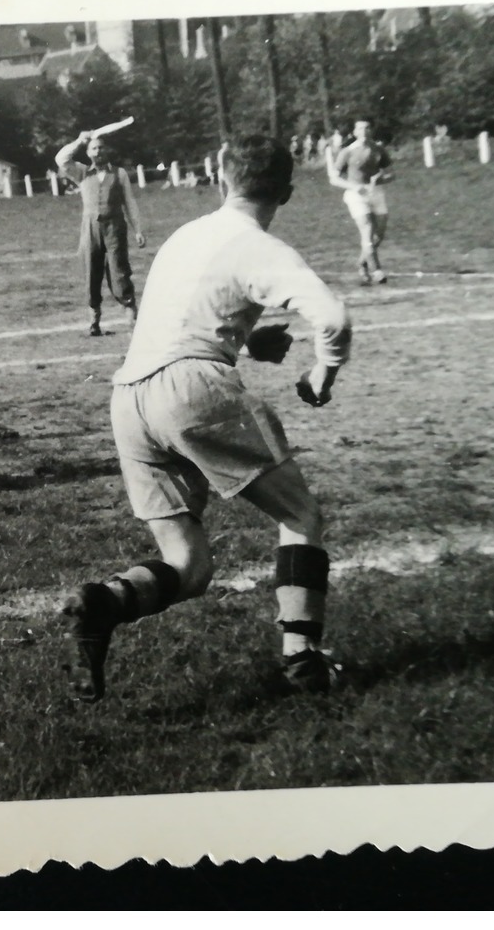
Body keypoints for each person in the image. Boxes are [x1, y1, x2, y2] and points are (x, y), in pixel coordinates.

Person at [64, 134, 353, 702]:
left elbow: (174, 320)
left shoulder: (185, 235)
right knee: (300, 515)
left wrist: (244, 343)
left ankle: (100, 604)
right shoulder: (259, 245)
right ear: (287, 194)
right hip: (189, 388)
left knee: (189, 566)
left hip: (128, 396)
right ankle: (302, 660)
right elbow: (333, 318)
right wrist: (323, 373)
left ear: (221, 176)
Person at [55, 125, 146, 336]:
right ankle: (94, 322)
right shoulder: (82, 172)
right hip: (90, 228)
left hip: (115, 227)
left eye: (101, 148)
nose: (98, 152)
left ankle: (132, 318)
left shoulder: (119, 174)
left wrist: (138, 230)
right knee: (91, 271)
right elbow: (61, 159)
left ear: (107, 150)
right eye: (94, 149)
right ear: (88, 153)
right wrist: (79, 141)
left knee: (119, 271)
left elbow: (130, 203)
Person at [328, 119, 395, 285]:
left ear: (371, 131)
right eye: (360, 128)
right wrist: (354, 187)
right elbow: (334, 179)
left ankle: (362, 263)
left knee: (379, 234)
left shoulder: (378, 150)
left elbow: (392, 174)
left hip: (375, 193)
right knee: (367, 228)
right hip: (355, 194)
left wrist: (380, 178)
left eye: (367, 128)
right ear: (355, 132)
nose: (364, 131)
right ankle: (376, 270)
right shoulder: (347, 152)